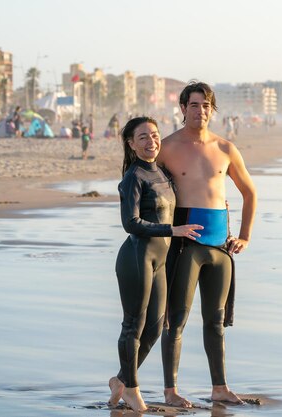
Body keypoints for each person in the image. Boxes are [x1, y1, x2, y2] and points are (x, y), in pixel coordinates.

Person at [157, 82, 257, 407]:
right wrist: (160, 232)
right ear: (183, 108)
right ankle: (170, 392)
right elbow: (143, 187)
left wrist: (244, 236)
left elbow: (249, 193)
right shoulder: (168, 147)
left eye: (206, 106)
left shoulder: (226, 148)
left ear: (212, 110)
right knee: (176, 319)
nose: (200, 111)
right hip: (186, 245)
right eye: (194, 105)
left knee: (216, 321)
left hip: (220, 247)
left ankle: (220, 388)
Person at [107, 116, 203, 413]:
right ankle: (132, 390)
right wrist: (171, 231)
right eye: (143, 137)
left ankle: (121, 380)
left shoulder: (161, 173)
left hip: (159, 260)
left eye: (154, 135)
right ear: (132, 144)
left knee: (156, 325)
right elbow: (130, 223)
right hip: (137, 257)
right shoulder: (133, 177)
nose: (151, 142)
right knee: (133, 325)